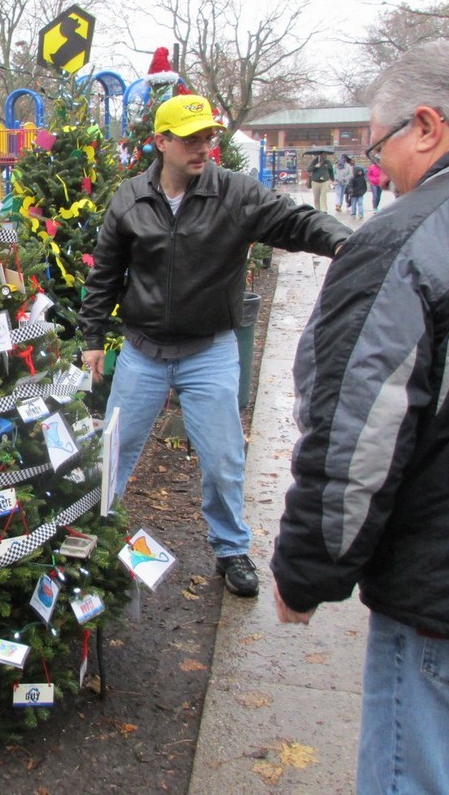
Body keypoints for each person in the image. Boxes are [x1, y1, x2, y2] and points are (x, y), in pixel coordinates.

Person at [272, 38, 449, 793]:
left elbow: (361, 431)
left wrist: (308, 569)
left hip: (448, 599)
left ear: (426, 126)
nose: (378, 167)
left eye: (379, 144)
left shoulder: (413, 238)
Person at [78, 94, 350, 598]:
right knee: (113, 454)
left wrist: (343, 242)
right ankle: (93, 537)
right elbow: (106, 273)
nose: (203, 147)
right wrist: (93, 337)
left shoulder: (236, 194)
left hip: (209, 352)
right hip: (142, 353)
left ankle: (231, 549)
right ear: (161, 142)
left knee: (223, 460)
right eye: (190, 139)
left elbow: (293, 220)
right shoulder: (130, 198)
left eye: (207, 137)